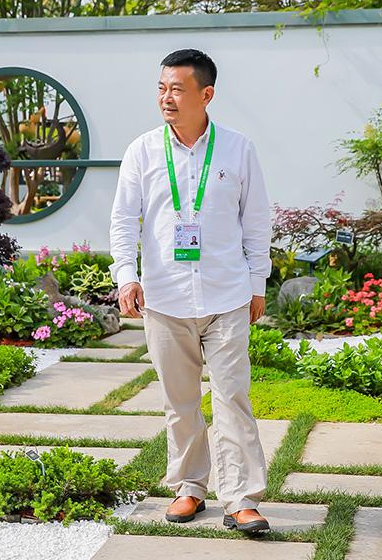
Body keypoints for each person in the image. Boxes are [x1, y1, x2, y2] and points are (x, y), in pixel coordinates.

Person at [108, 48, 273, 533]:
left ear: (207, 94)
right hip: (165, 298)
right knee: (179, 402)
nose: (166, 97)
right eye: (161, 88)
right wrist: (126, 275)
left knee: (232, 397)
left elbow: (255, 221)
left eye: (177, 89)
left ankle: (241, 499)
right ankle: (190, 487)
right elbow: (124, 219)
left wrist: (257, 284)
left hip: (227, 295)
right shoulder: (142, 151)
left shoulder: (238, 149)